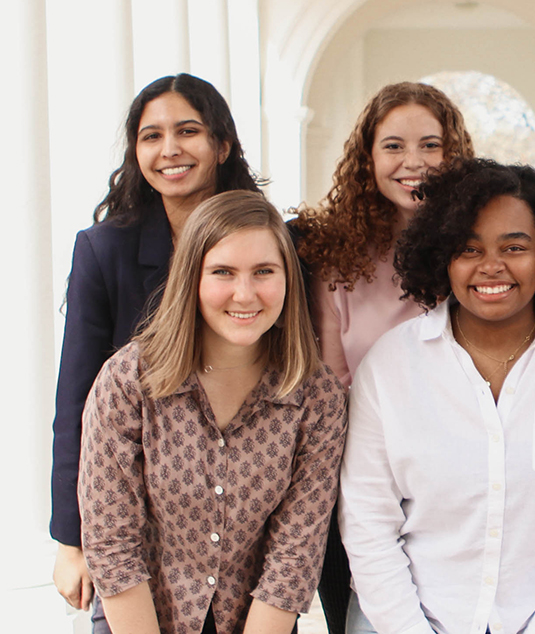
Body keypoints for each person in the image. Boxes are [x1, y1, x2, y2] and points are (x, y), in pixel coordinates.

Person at [340, 158, 535, 634]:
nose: (491, 266)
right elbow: (368, 521)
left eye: (514, 246)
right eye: (468, 249)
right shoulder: (391, 365)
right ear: (442, 257)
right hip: (403, 616)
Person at [79, 190, 348, 634]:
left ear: (287, 280)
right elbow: (113, 545)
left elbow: (293, 557)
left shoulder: (317, 398)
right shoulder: (128, 382)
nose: (245, 294)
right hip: (139, 616)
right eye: (223, 272)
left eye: (264, 271)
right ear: (193, 279)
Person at [50, 73, 263, 630]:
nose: (169, 150)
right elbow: (75, 396)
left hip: (240, 521)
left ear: (222, 145)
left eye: (188, 131)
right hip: (131, 515)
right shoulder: (103, 250)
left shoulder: (268, 242)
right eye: (151, 136)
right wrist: (70, 539)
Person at [291, 82, 474, 633]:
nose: (412, 162)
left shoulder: (475, 251)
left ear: (454, 155)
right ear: (368, 159)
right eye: (393, 146)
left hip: (463, 482)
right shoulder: (335, 259)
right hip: (363, 483)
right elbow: (329, 387)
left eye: (430, 146)